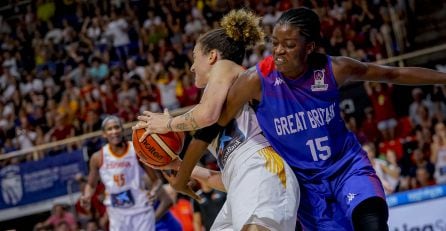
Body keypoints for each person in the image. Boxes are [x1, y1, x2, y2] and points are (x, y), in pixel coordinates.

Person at [138, 7, 446, 231]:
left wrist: (443, 79)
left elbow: (394, 73)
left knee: (372, 219)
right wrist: (182, 174)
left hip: (343, 164)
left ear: (309, 47)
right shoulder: (255, 80)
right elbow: (211, 134)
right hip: (304, 181)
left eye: (289, 45)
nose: (279, 52)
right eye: (275, 43)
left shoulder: (333, 69)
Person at [135, 9, 300, 231]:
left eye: (195, 57)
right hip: (240, 183)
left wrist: (168, 124)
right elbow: (225, 180)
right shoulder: (216, 101)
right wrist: (178, 165)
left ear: (212, 56)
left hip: (262, 165)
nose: (192, 66)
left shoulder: (226, 68)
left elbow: (206, 114)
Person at [80, 115, 164, 231]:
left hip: (141, 210)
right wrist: (87, 196)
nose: (114, 131)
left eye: (116, 127)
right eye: (110, 129)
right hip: (117, 214)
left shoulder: (136, 150)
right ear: (104, 134)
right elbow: (91, 185)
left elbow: (157, 180)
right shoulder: (97, 157)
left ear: (122, 130)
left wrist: (154, 192)